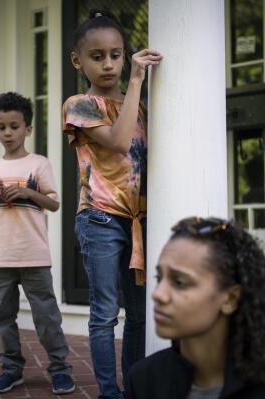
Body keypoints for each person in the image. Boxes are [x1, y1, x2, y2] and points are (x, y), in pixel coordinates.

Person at [62, 9, 162, 399]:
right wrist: (137, 78)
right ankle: (109, 392)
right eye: (97, 56)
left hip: (138, 220)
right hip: (100, 218)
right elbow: (121, 142)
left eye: (116, 55)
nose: (109, 64)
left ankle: (133, 388)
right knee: (105, 314)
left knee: (138, 315)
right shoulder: (80, 105)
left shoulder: (140, 104)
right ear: (78, 60)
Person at [125, 217, 265, 399]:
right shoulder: (143, 381)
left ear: (230, 298)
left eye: (180, 282)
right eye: (159, 278)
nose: (157, 293)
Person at [0, 92, 75, 395]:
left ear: (28, 129)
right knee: (3, 319)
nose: (8, 133)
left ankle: (60, 369)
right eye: (1, 127)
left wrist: (27, 194)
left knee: (46, 317)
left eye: (14, 126)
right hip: (0, 255)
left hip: (33, 254)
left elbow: (54, 203)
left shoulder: (39, 164)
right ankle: (11, 369)